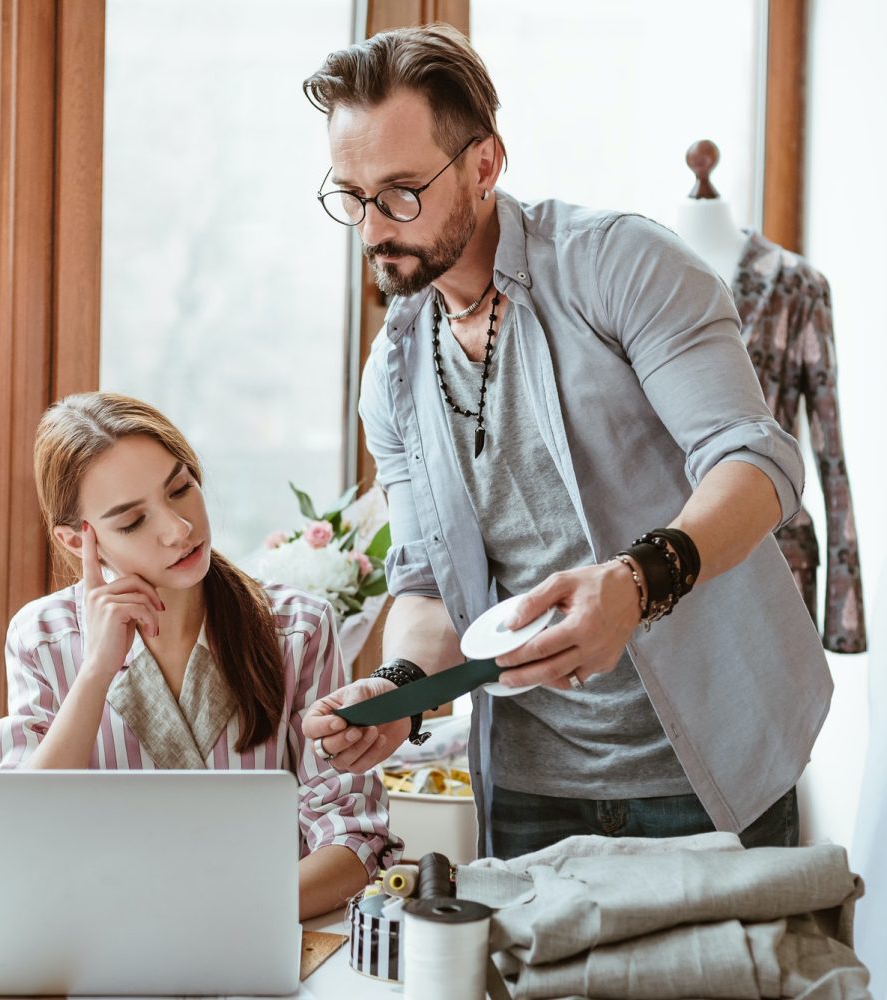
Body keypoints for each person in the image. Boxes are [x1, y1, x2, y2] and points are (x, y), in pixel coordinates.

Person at [299, 24, 832, 859]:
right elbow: (431, 586)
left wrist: (635, 581)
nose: (372, 229)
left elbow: (755, 461)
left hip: (712, 765)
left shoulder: (621, 264)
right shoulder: (393, 374)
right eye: (353, 197)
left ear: (483, 165)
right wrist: (402, 686)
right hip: (528, 785)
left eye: (401, 191)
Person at [0, 392, 392, 918]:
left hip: (261, 943)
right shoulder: (43, 638)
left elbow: (355, 835)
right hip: (100, 950)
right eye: (132, 521)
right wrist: (95, 672)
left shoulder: (297, 627)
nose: (178, 529)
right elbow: (15, 839)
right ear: (76, 542)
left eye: (181, 489)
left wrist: (214, 916)